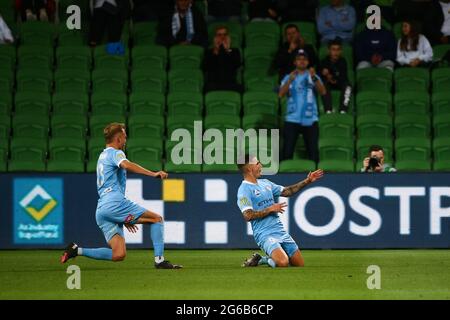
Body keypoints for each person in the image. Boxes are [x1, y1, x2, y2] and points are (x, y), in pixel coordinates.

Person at [61, 123, 183, 269]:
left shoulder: (102, 156)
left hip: (102, 210)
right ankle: (159, 260)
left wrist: (119, 216)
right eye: (124, 137)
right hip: (114, 203)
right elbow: (127, 165)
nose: (126, 140)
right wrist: (153, 174)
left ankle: (76, 250)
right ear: (118, 139)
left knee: (118, 254)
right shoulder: (115, 153)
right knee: (157, 219)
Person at [237, 154, 324, 268]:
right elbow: (247, 215)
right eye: (258, 163)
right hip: (264, 234)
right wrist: (270, 209)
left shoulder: (266, 183)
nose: (261, 165)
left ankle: (263, 259)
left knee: (299, 265)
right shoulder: (244, 191)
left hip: (280, 230)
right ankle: (263, 260)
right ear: (249, 168)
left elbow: (288, 191)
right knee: (283, 263)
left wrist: (308, 180)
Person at [278, 49, 327, 162]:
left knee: (313, 153)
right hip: (292, 119)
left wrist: (314, 77)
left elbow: (323, 91)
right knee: (287, 152)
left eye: (304, 59)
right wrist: (290, 80)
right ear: (295, 62)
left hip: (310, 119)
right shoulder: (288, 77)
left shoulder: (313, 76)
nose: (302, 61)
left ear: (308, 62)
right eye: (299, 59)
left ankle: (316, 178)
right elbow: (281, 94)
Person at [203, 25, 242, 92]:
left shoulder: (235, 51)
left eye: (224, 35)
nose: (222, 37)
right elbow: (206, 67)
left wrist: (228, 50)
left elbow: (237, 65)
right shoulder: (209, 52)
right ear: (215, 37)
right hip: (214, 84)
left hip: (230, 83)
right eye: (219, 35)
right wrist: (216, 51)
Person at [319, 38, 352, 114]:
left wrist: (333, 79)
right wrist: (325, 75)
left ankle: (343, 110)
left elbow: (343, 77)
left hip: (339, 82)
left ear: (341, 51)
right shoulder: (324, 61)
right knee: (322, 85)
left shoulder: (343, 61)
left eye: (338, 50)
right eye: (333, 49)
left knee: (348, 86)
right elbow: (320, 76)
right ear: (329, 51)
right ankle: (328, 110)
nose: (336, 52)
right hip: (328, 84)